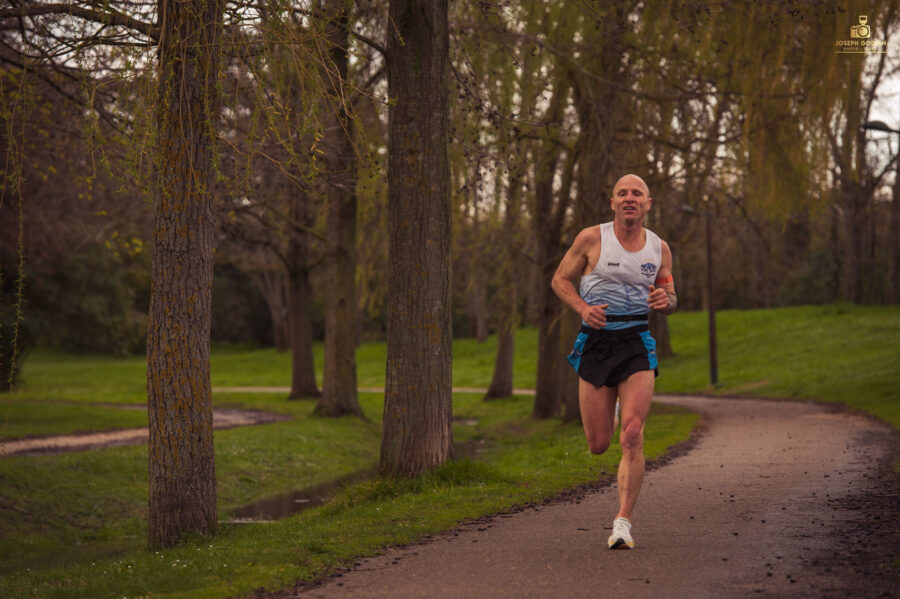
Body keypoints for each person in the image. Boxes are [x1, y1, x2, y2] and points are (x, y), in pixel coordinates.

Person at [551, 173, 677, 550]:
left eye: (637, 193)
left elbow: (669, 295)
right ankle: (618, 410)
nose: (629, 198)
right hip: (596, 343)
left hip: (636, 342)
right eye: (622, 193)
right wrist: (582, 308)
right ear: (612, 202)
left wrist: (664, 301)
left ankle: (622, 522)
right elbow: (560, 280)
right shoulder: (592, 239)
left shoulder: (659, 248)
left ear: (648, 203)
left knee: (633, 435)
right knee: (598, 443)